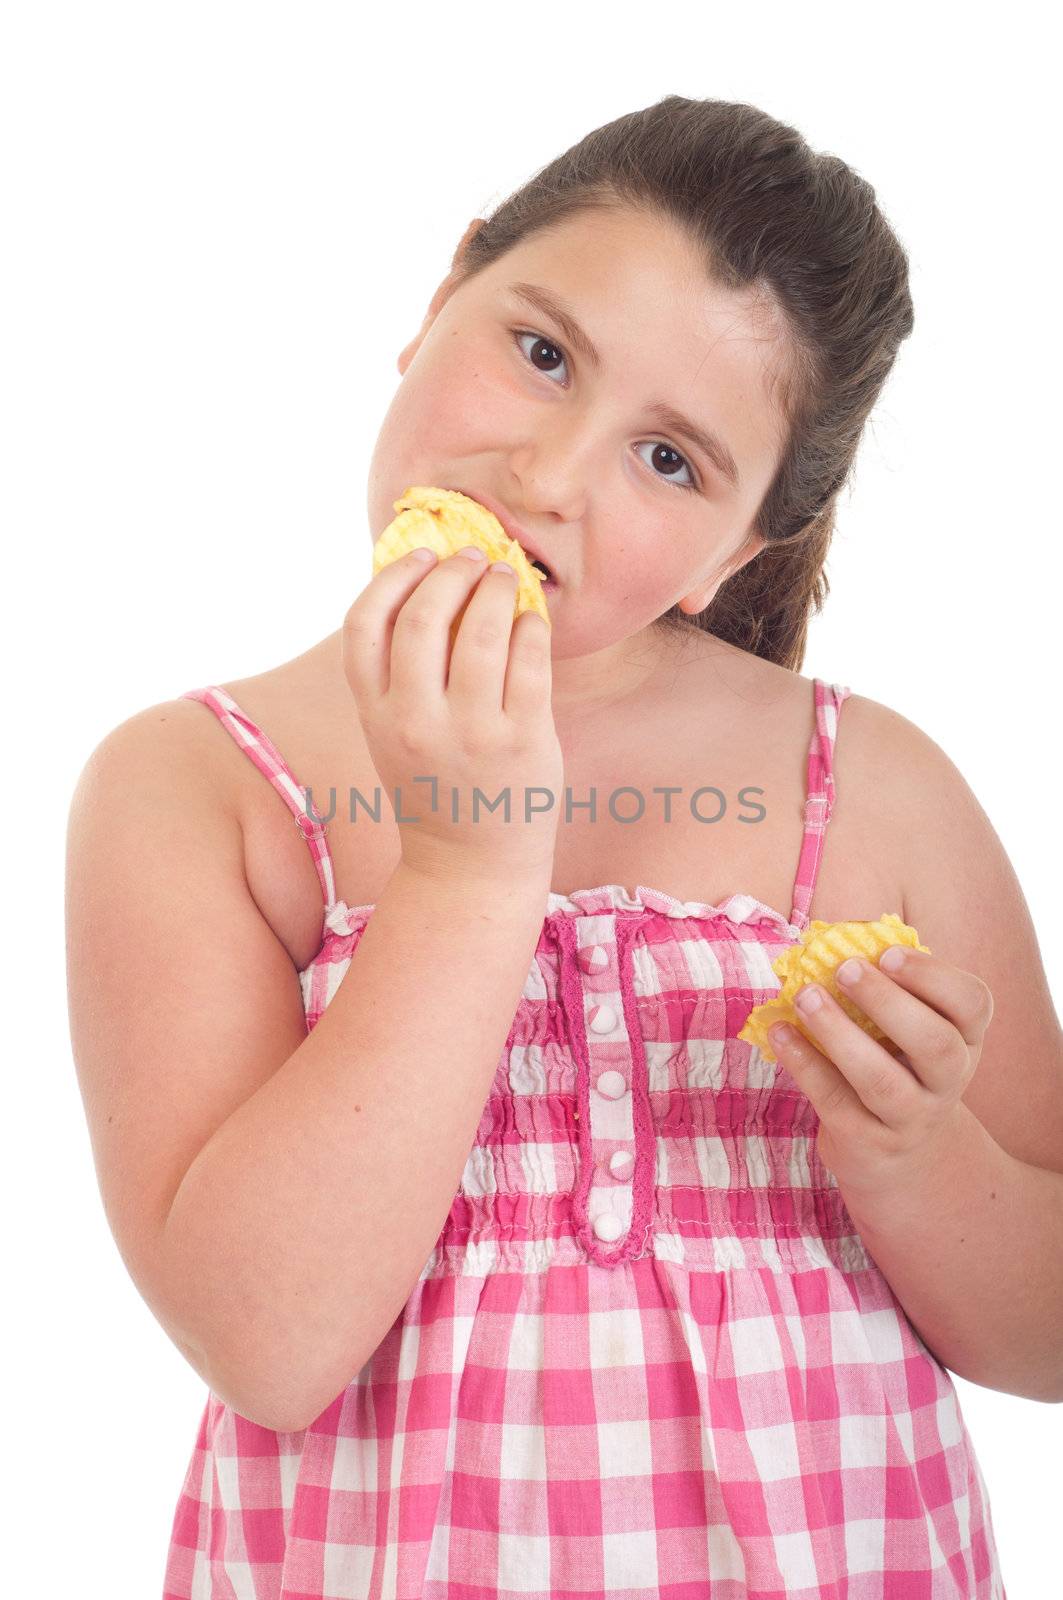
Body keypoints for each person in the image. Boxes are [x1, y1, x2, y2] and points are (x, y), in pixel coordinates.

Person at [64, 95, 1060, 1599]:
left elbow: (1046, 1329)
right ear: (442, 288)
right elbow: (266, 1344)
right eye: (539, 352)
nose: (549, 476)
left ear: (745, 550)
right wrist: (468, 869)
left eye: (671, 461)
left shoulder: (877, 789)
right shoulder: (196, 788)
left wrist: (919, 1157)